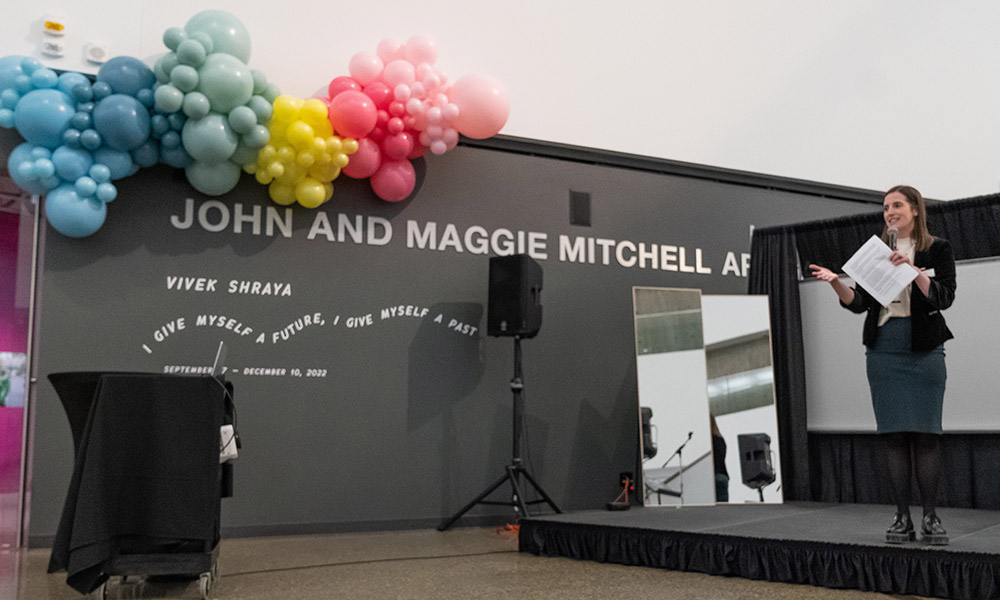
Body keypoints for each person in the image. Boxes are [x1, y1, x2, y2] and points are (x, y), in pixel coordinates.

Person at [809, 185, 955, 546]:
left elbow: (945, 296)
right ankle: (902, 517)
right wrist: (837, 285)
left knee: (926, 435)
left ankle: (931, 518)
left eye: (897, 205)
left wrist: (914, 271)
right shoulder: (874, 253)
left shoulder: (937, 248)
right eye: (886, 207)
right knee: (893, 437)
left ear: (915, 210)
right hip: (884, 349)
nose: (889, 212)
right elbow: (859, 303)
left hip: (923, 350)